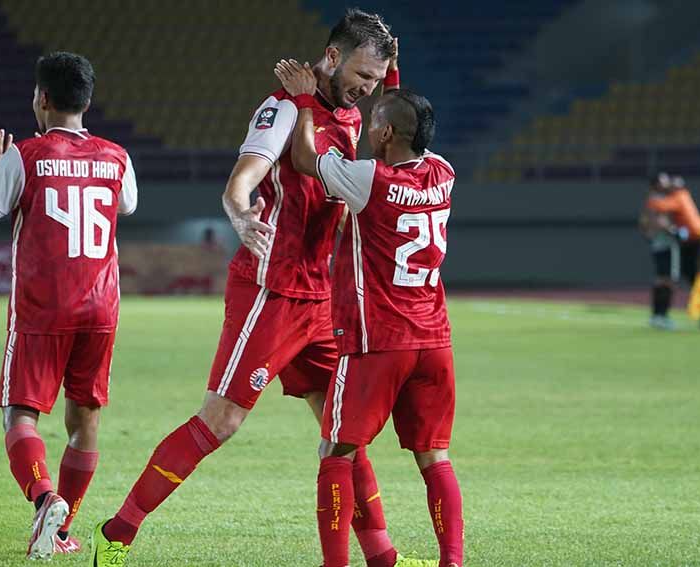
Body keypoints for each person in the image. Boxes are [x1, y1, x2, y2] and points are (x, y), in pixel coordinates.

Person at [90, 11, 431, 567]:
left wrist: (390, 64)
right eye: (362, 77)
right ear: (331, 57)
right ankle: (117, 534)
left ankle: (383, 557)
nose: (368, 90)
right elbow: (244, 177)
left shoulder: (348, 108)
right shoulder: (281, 109)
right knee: (219, 422)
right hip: (271, 291)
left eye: (376, 81)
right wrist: (239, 213)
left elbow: (391, 93)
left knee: (344, 432)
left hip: (322, 298)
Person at [0, 52, 138, 560]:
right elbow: (124, 206)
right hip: (101, 309)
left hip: (45, 309)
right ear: (86, 101)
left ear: (42, 99)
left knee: (20, 418)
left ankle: (46, 501)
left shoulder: (26, 154)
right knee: (84, 422)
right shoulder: (118, 156)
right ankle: (60, 532)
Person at [275, 58, 463, 567]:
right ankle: (453, 562)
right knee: (435, 460)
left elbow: (306, 159)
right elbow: (409, 127)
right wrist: (396, 82)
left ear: (383, 133)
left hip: (377, 342)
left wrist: (303, 101)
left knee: (336, 453)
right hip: (434, 343)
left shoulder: (367, 180)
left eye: (377, 120)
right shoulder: (443, 172)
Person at [647, 173, 700, 291]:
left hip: (693, 238)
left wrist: (652, 199)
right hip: (691, 238)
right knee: (689, 271)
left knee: (690, 272)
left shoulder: (679, 196)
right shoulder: (683, 195)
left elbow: (660, 206)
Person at [639, 176, 678, 329]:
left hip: (658, 244)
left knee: (662, 280)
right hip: (666, 244)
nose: (667, 183)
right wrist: (673, 230)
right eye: (664, 181)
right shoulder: (661, 201)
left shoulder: (653, 200)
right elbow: (657, 222)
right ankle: (662, 315)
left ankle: (657, 315)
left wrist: (649, 233)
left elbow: (643, 222)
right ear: (656, 185)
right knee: (667, 281)